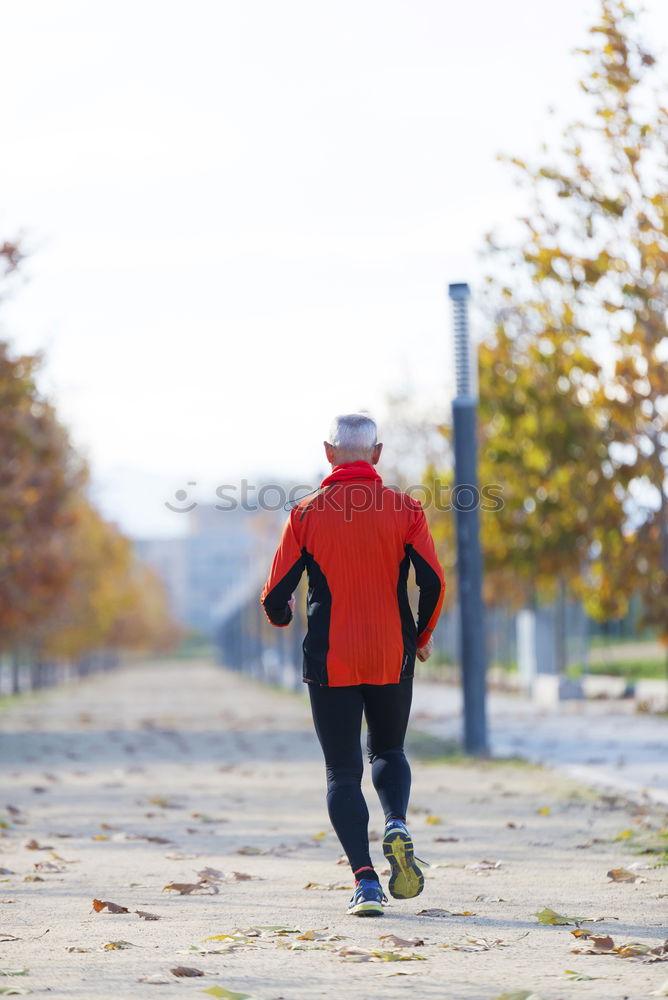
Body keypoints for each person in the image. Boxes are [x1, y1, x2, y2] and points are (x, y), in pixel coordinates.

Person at [260, 413, 445, 917]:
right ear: (377, 454)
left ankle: (365, 883)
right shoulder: (406, 509)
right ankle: (397, 823)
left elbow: (275, 595)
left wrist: (284, 616)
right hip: (392, 652)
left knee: (342, 772)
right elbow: (433, 583)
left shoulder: (305, 514)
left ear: (328, 453)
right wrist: (421, 637)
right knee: (388, 748)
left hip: (331, 658)